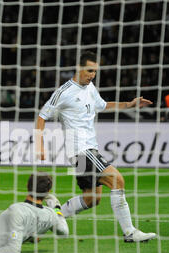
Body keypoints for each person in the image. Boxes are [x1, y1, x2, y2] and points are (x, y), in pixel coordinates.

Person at [35, 50, 157, 243]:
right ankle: (130, 232)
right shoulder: (64, 92)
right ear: (79, 68)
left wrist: (129, 104)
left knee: (92, 199)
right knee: (117, 180)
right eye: (89, 70)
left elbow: (103, 105)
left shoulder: (90, 88)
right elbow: (42, 115)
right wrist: (39, 145)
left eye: (95, 72)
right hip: (81, 150)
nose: (92, 75)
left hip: (88, 150)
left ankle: (50, 217)